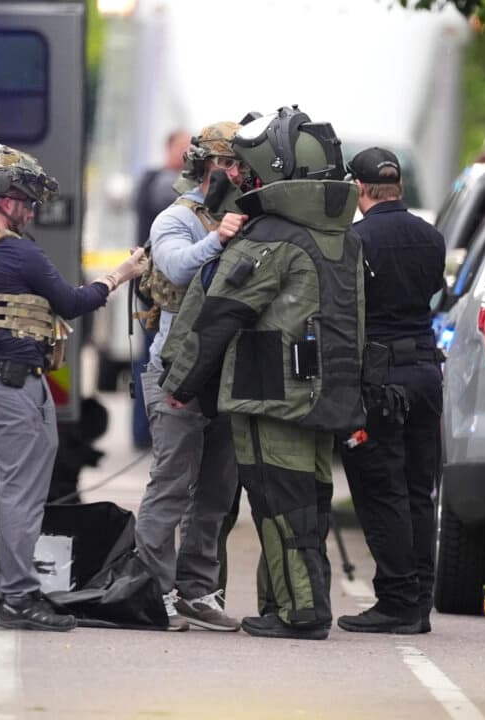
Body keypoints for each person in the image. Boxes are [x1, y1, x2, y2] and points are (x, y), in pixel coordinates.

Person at [161, 105, 365, 640]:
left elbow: (219, 315)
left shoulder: (268, 237)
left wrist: (180, 384)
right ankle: (283, 604)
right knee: (308, 503)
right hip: (323, 390)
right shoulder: (341, 235)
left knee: (280, 504)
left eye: (244, 168)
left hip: (269, 392)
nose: (236, 176)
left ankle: (301, 613)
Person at [0, 144, 147, 631]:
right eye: (27, 201)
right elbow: (73, 302)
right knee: (20, 494)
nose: (32, 211)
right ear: (5, 199)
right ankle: (19, 596)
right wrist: (122, 273)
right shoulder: (19, 251)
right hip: (14, 388)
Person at [133, 121, 247, 632]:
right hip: (175, 371)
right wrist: (218, 239)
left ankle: (197, 591)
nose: (237, 173)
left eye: (242, 164)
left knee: (216, 494)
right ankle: (151, 591)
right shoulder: (176, 218)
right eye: (229, 163)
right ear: (206, 165)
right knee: (171, 487)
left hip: (224, 374)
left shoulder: (244, 216)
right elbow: (177, 268)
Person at [336, 147, 444, 635]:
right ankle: (419, 600)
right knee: (419, 489)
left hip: (381, 380)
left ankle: (397, 600)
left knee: (381, 489)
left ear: (359, 189)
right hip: (425, 371)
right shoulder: (431, 237)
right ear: (397, 186)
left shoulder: (355, 241)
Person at [130, 129, 192, 450]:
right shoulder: (162, 183)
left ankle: (146, 430)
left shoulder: (150, 180)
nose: (187, 154)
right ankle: (146, 431)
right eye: (183, 147)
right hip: (156, 291)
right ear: (169, 148)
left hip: (154, 287)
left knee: (152, 357)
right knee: (154, 359)